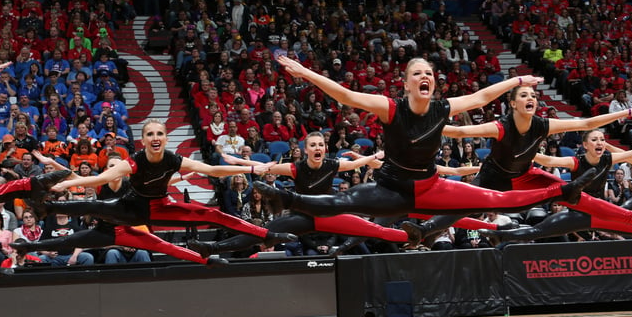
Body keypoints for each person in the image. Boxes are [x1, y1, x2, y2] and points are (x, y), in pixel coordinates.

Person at [253, 56, 595, 235]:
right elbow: (345, 95)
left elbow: (481, 97)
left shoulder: (442, 108)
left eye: (428, 72)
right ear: (406, 84)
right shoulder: (390, 108)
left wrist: (518, 79)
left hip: (430, 186)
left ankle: (563, 193)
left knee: (500, 199)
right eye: (417, 73)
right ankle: (284, 198)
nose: (424, 76)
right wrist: (306, 73)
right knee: (343, 202)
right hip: (392, 188)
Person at [402, 86, 632, 243]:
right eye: (524, 95)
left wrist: (628, 112)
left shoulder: (543, 125)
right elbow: (459, 133)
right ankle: (423, 231)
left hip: (526, 175)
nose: (531, 98)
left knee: (579, 195)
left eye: (533, 94)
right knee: (465, 206)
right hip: (493, 177)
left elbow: (586, 123)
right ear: (512, 103)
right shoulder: (500, 126)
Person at [16, 120, 297, 266]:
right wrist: (64, 184)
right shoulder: (132, 162)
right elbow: (100, 178)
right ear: (144, 139)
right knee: (95, 207)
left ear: (165, 137)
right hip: (128, 212)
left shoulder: (172, 159)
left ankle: (266, 234)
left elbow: (210, 170)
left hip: (158, 207)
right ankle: (45, 214)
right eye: (149, 134)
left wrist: (249, 170)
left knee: (212, 214)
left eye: (159, 134)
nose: (155, 138)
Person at [187, 132, 417, 257]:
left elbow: (366, 161)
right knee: (262, 233)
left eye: (321, 145)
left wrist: (378, 154)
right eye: (313, 145)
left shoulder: (332, 164)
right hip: (304, 217)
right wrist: (237, 160)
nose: (317, 148)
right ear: (305, 149)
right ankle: (212, 249)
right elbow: (264, 167)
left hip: (331, 215)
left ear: (324, 148)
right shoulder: (295, 168)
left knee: (375, 230)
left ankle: (414, 237)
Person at [481, 130, 632, 243]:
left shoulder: (608, 159)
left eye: (603, 139)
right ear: (585, 144)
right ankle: (499, 235)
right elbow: (548, 160)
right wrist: (523, 151)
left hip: (600, 213)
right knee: (537, 231)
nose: (600, 142)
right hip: (577, 215)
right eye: (594, 139)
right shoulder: (575, 161)